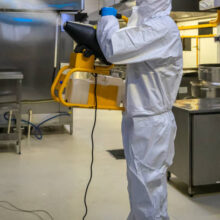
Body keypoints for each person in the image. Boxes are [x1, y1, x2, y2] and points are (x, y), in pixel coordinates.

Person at [97, 0, 183, 219]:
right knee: (141, 187)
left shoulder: (161, 28)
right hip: (142, 120)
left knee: (147, 190)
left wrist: (108, 16)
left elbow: (114, 48)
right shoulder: (152, 24)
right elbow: (136, 20)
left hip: (151, 125)